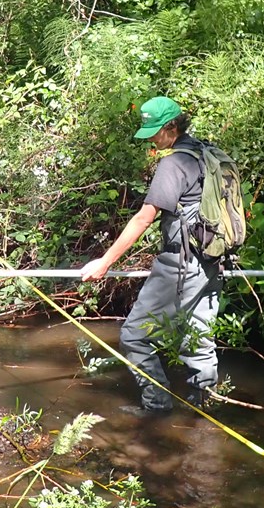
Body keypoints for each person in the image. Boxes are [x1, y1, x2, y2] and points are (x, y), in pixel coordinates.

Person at [79, 96, 223, 413]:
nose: (154, 139)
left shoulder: (174, 164)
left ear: (172, 126)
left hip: (180, 264)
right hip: (212, 260)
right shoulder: (208, 153)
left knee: (134, 336)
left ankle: (157, 405)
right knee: (197, 339)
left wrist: (105, 262)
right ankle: (207, 409)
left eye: (157, 131)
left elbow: (144, 218)